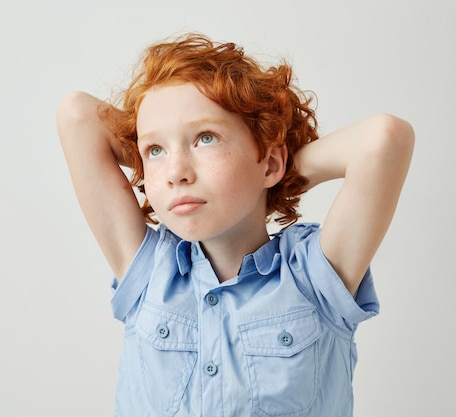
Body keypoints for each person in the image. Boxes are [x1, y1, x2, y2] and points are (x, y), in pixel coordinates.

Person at [56, 33, 414, 417]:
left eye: (205, 138)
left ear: (270, 162)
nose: (176, 173)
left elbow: (384, 139)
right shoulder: (148, 273)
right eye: (154, 150)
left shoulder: (314, 279)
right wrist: (171, 168)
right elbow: (77, 115)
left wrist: (273, 171)